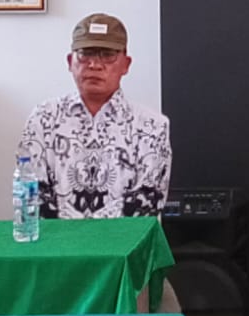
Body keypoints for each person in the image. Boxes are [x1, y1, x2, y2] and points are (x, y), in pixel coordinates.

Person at [17, 13, 171, 219]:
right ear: (70, 61)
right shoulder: (43, 119)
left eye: (107, 55)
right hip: (55, 238)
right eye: (85, 54)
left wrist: (96, 238)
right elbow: (30, 197)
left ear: (126, 64)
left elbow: (146, 206)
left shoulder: (152, 126)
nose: (95, 65)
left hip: (124, 239)